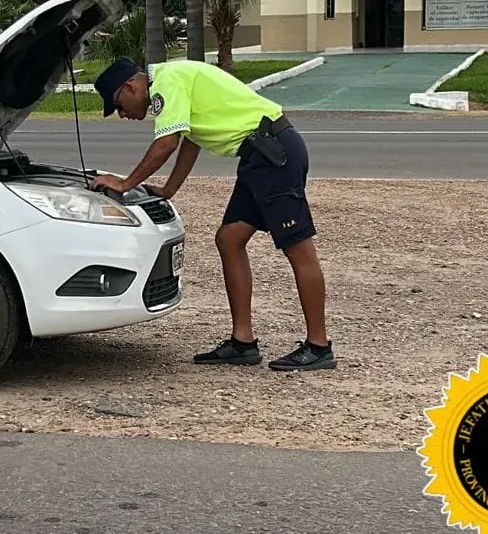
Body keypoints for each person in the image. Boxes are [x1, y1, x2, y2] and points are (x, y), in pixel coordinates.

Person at [89, 56, 334, 372]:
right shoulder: (171, 78)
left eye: (118, 105)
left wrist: (125, 183)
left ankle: (319, 346)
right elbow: (190, 140)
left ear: (131, 86)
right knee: (229, 238)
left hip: (274, 155)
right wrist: (169, 190)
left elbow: (167, 144)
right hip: (259, 156)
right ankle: (242, 342)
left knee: (298, 248)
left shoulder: (166, 82)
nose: (122, 114)